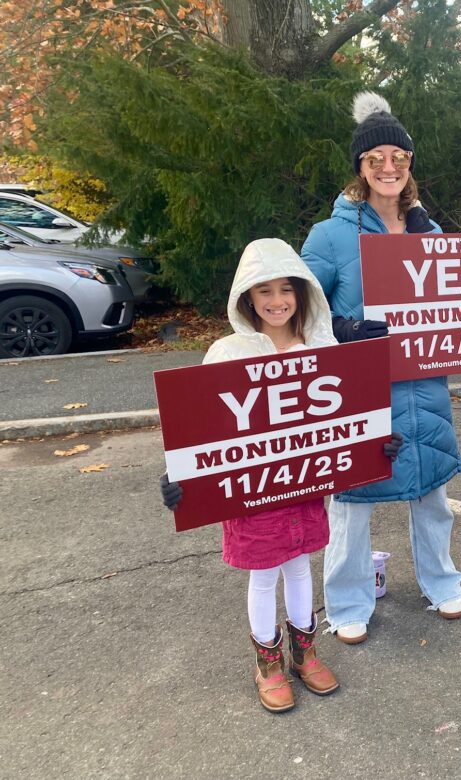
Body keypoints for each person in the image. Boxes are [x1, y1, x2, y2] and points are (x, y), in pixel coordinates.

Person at [300, 92, 461, 644]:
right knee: (351, 505)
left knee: (431, 493)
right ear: (360, 167)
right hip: (358, 391)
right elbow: (300, 308)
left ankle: (440, 581)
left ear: (410, 167)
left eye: (399, 158)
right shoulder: (330, 235)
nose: (388, 167)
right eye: (376, 158)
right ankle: (347, 601)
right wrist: (344, 330)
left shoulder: (432, 237)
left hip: (424, 388)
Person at [159, 238, 349, 713]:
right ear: (247, 296)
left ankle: (304, 653)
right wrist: (178, 472)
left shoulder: (323, 347)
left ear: (304, 293)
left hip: (304, 483)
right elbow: (199, 422)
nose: (277, 300)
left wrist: (372, 447)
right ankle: (268, 662)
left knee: (302, 565)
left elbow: (347, 413)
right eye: (264, 290)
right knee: (264, 575)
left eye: (287, 288)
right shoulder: (227, 351)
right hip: (251, 490)